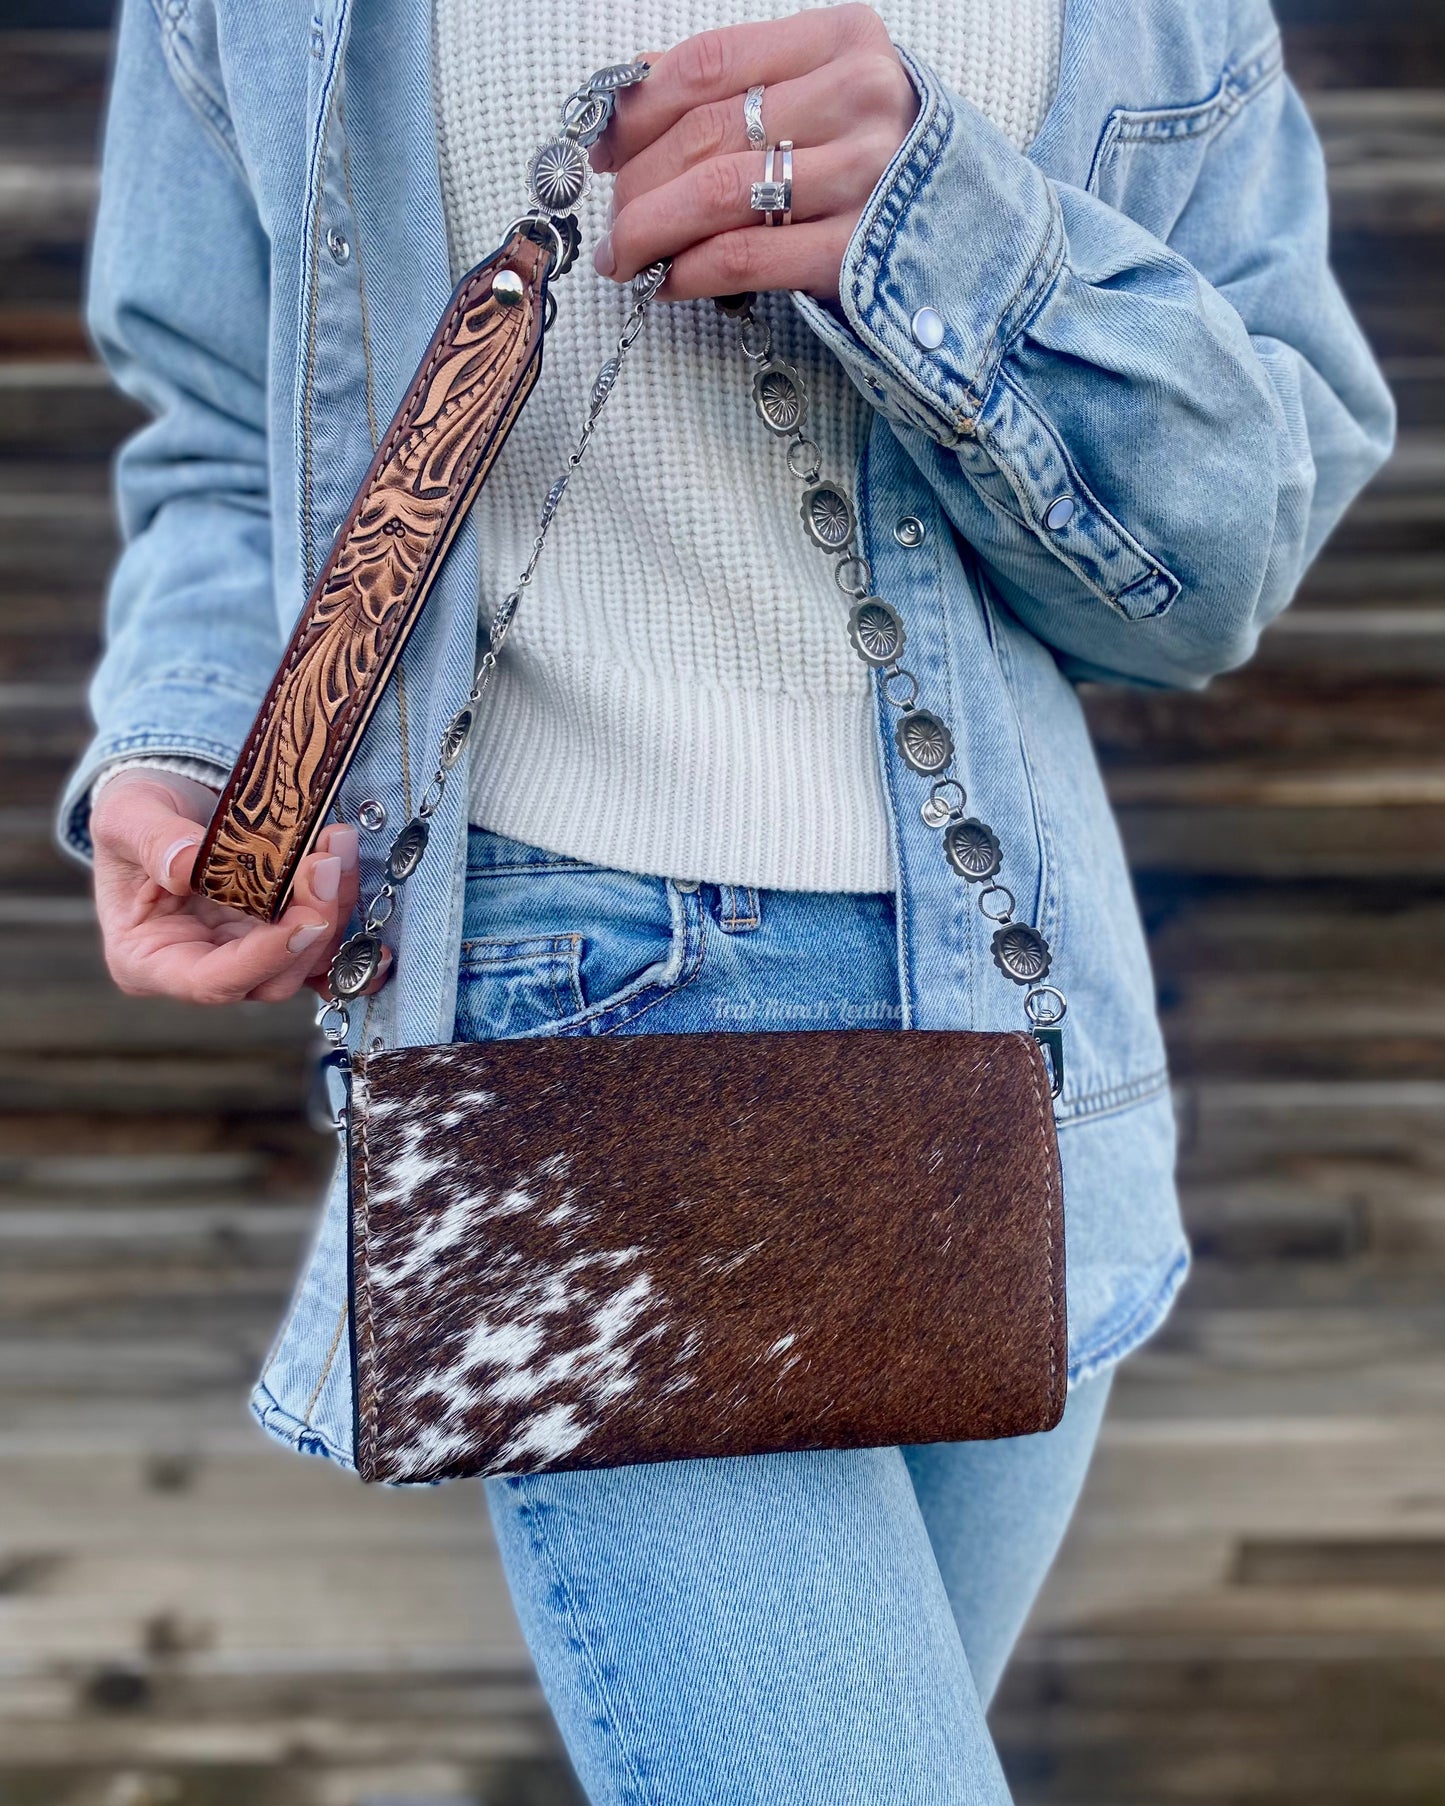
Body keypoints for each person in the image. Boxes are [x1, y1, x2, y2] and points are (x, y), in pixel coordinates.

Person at [61, 2, 1393, 1799]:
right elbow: (231, 429)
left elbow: (1215, 569)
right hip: (570, 1031)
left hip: (1018, 1041)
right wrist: (202, 743)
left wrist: (940, 237)